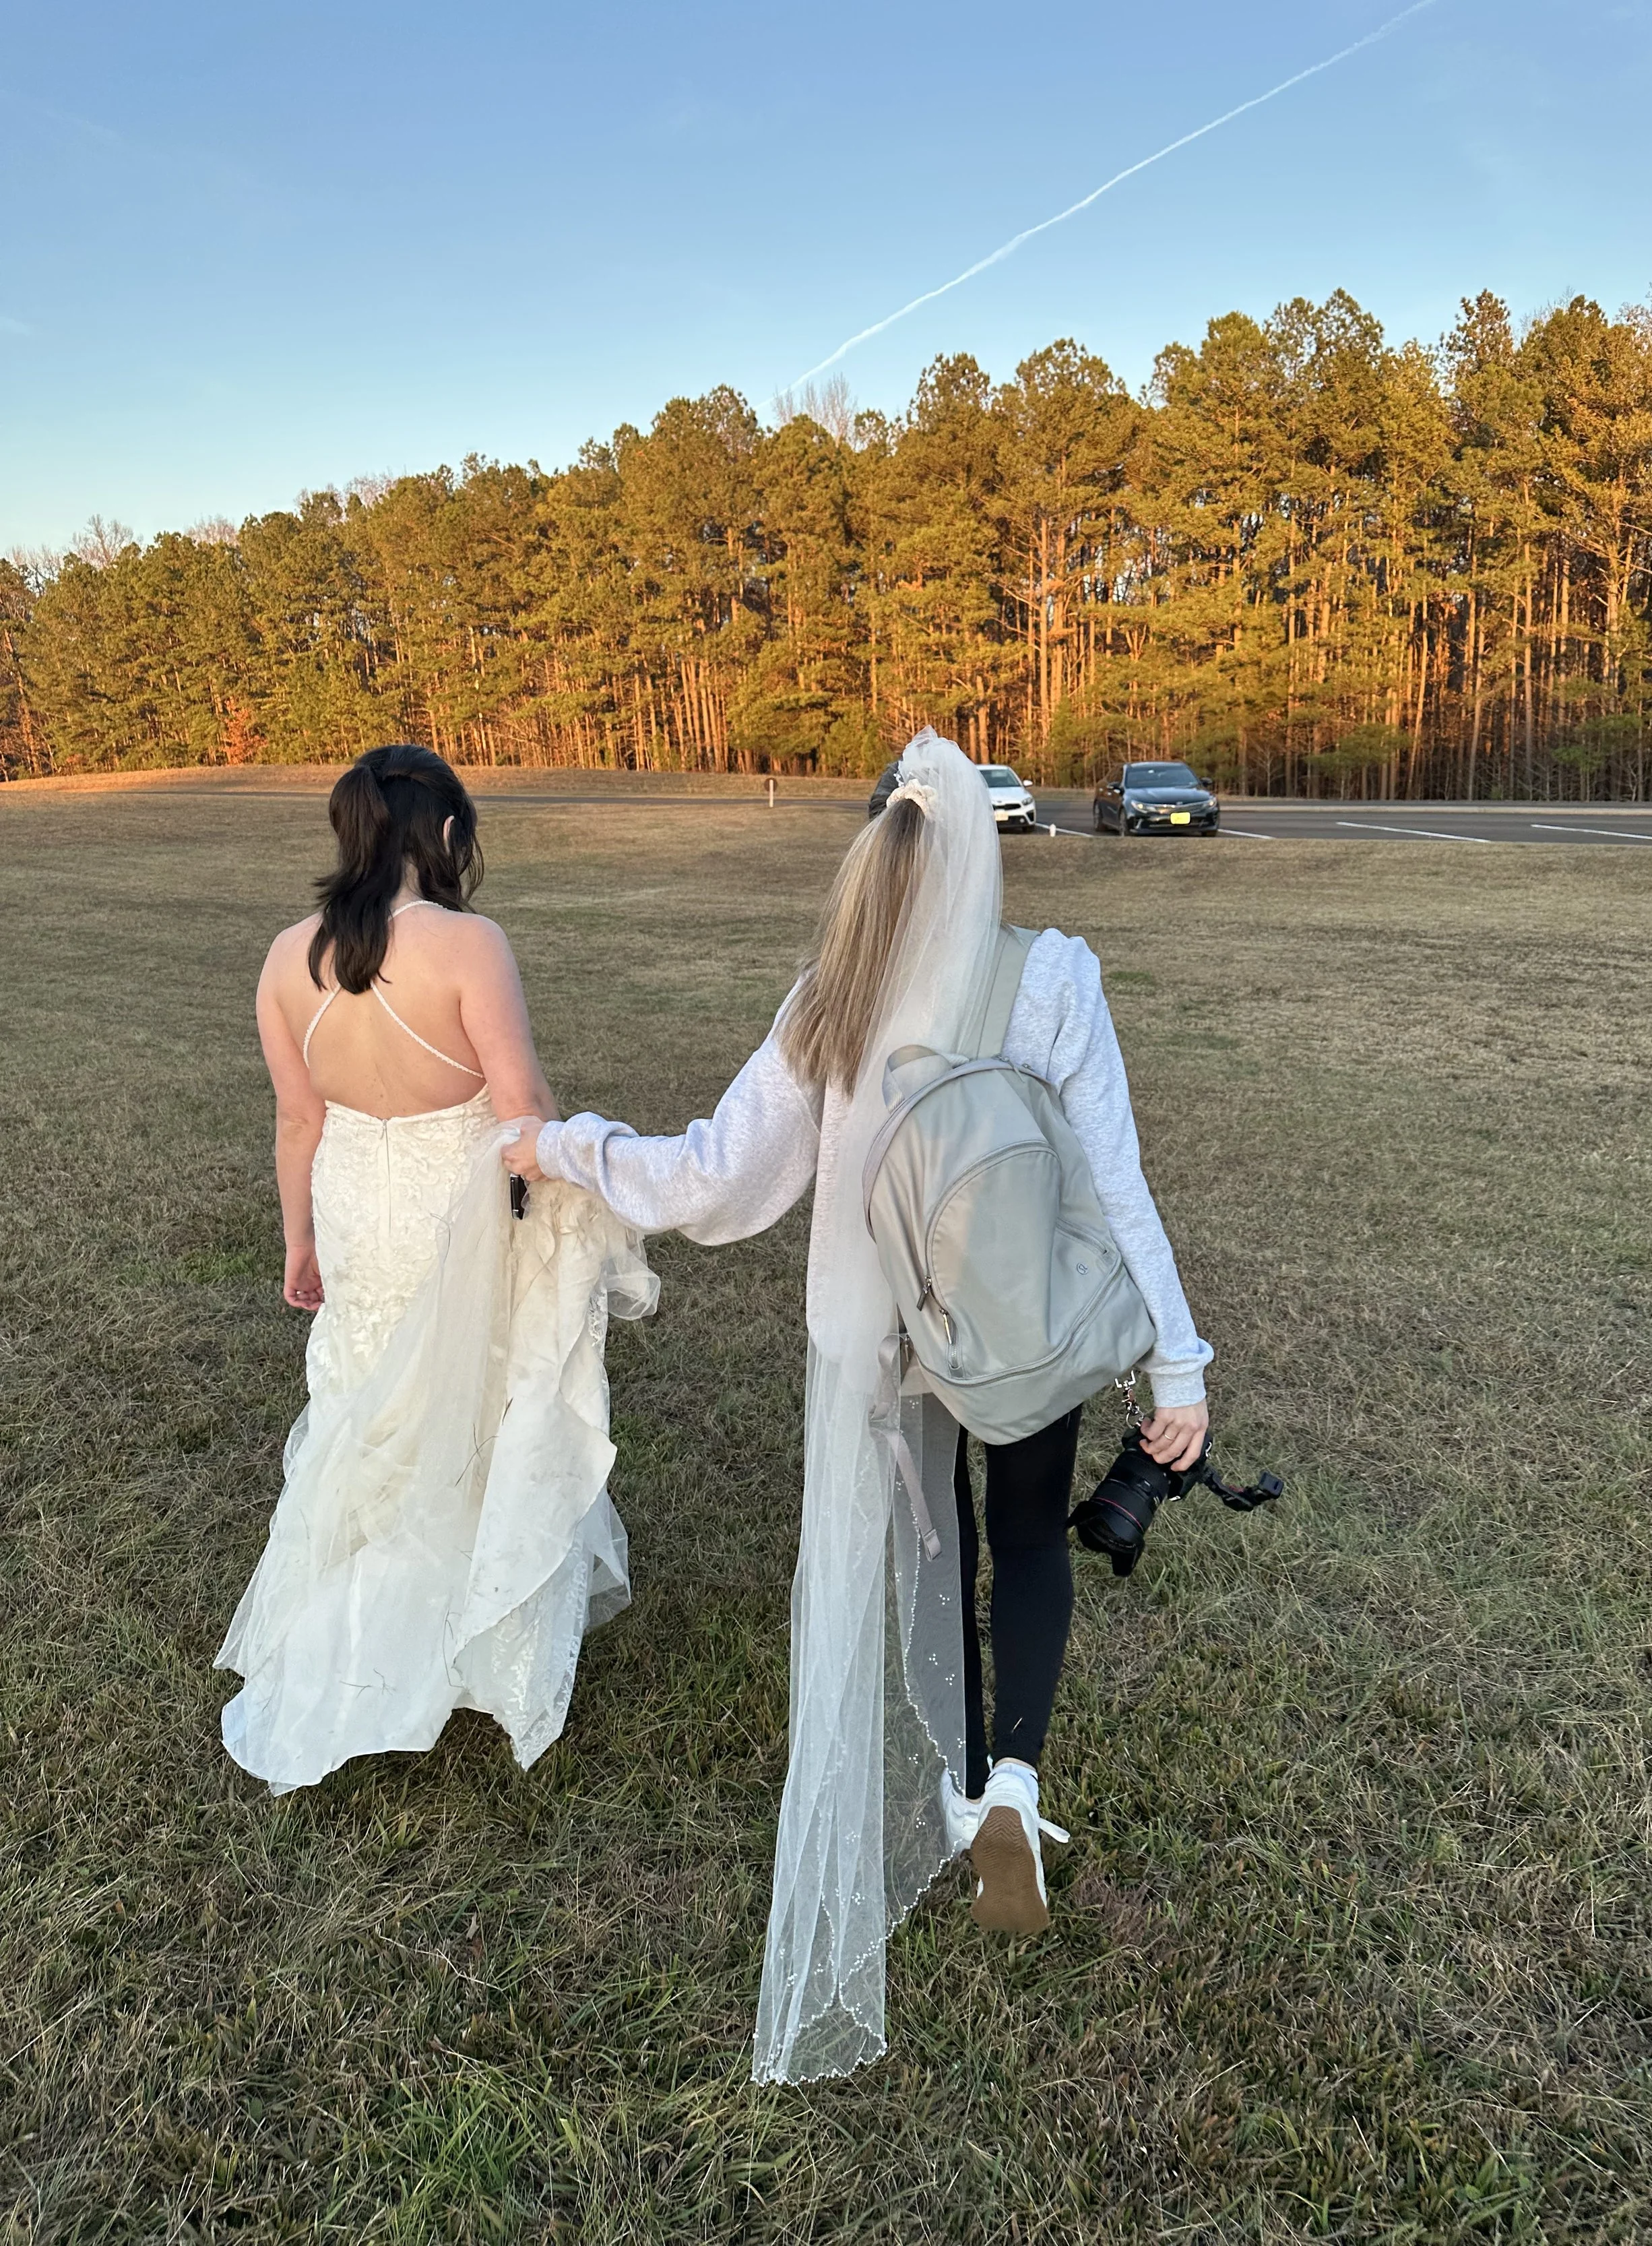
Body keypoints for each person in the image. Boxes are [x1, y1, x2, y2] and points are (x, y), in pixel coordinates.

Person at [503, 728, 1210, 2082]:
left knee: (927, 1541)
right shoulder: (1052, 976)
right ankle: (1013, 1785)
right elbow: (1116, 1183)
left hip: (879, 1341)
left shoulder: (829, 995)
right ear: (983, 852)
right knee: (1024, 1537)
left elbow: (716, 1178)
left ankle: (950, 1784)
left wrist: (566, 1146)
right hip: (1016, 1328)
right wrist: (1175, 1366)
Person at [218, 743, 655, 1795]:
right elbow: (523, 1106)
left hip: (353, 1212)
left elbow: (297, 1120)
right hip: (452, 1216)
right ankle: (466, 1637)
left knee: (366, 1398)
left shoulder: (285, 958)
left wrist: (299, 1240)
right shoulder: (468, 943)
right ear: (448, 833)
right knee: (478, 1399)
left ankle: (365, 1629)